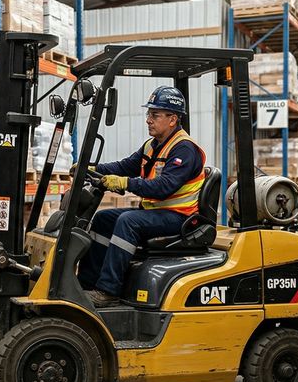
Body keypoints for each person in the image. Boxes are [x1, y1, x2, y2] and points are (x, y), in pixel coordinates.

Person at [78, 86, 206, 307]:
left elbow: (164, 187)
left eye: (155, 115)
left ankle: (108, 290)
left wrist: (125, 183)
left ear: (172, 119)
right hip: (156, 212)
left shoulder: (184, 149)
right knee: (103, 219)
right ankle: (86, 285)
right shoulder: (152, 145)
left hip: (179, 216)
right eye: (149, 114)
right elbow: (125, 166)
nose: (148, 120)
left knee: (128, 221)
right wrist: (92, 169)